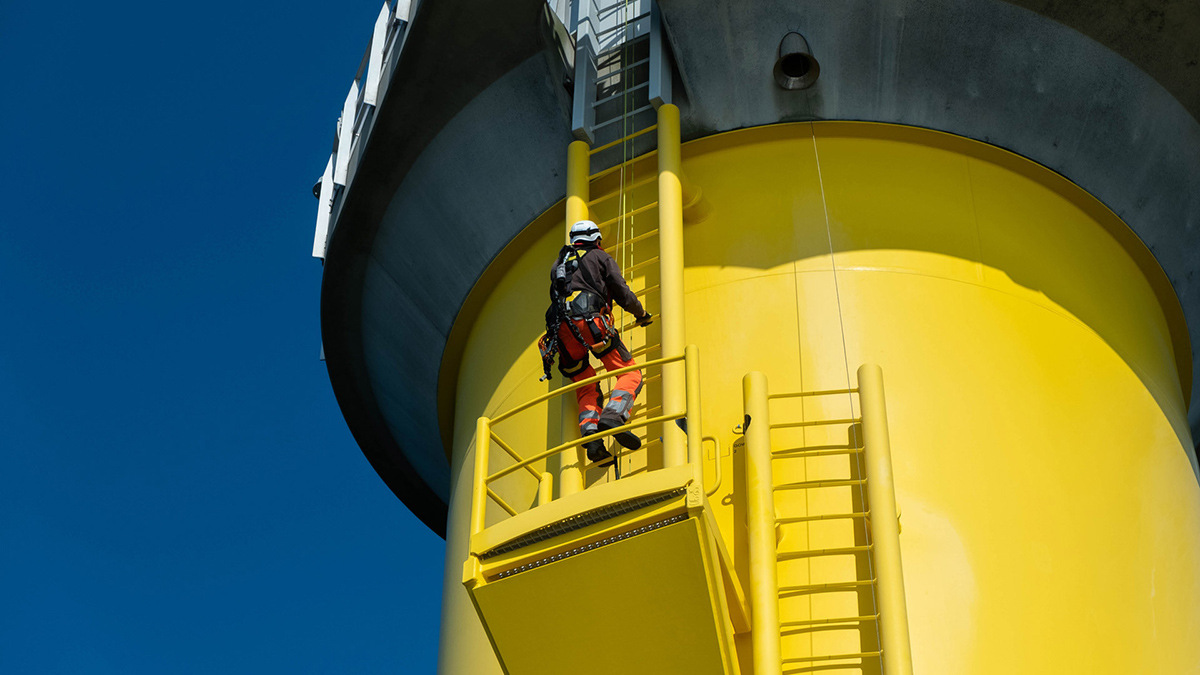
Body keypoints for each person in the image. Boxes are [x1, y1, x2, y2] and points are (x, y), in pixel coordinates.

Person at [539, 220, 653, 466]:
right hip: (591, 324)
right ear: (596, 240)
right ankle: (614, 416)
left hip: (560, 332)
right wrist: (641, 314)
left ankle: (591, 438)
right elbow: (621, 291)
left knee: (585, 385)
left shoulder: (558, 264)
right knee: (630, 373)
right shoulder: (599, 257)